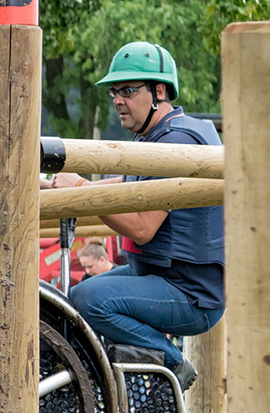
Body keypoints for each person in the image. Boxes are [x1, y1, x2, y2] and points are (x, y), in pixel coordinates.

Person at [50, 42, 222, 390]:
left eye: (128, 90)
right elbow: (127, 184)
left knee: (88, 300)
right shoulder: (164, 134)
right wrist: (54, 183)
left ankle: (172, 364)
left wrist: (83, 188)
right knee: (79, 295)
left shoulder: (175, 141)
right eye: (115, 91)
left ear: (159, 91)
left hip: (190, 293)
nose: (117, 100)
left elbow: (143, 228)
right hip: (168, 277)